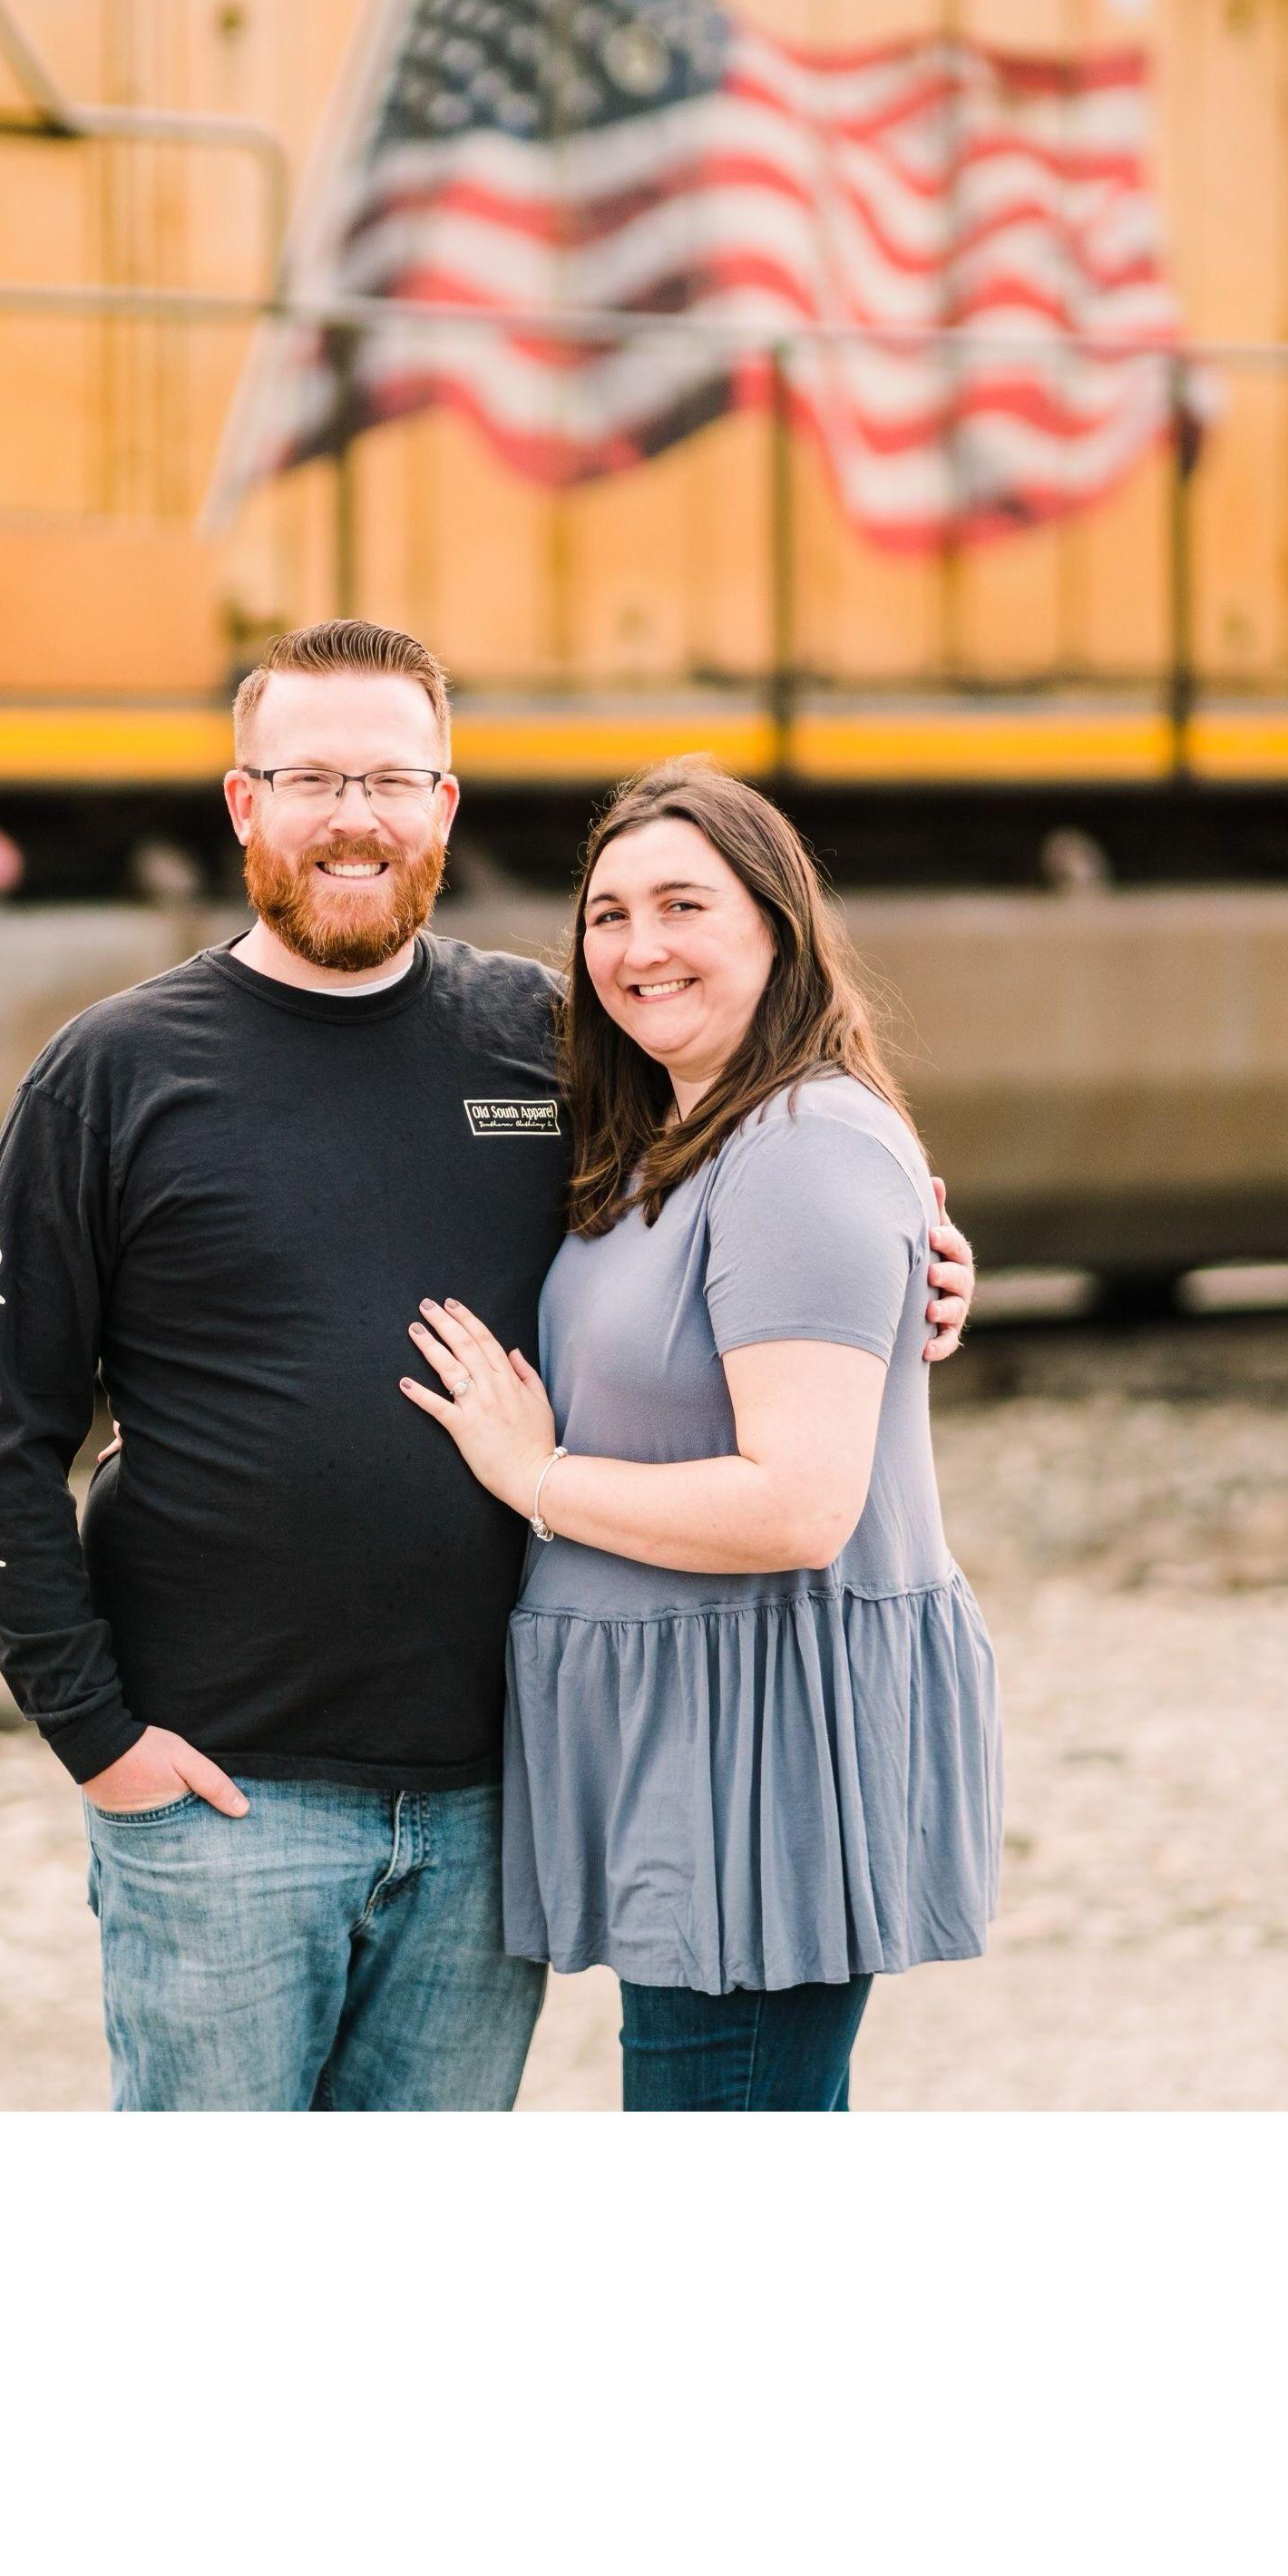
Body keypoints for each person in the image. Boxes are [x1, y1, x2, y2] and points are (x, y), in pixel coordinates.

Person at [0, 623, 978, 2112]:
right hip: (223, 1800)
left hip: (493, 1803)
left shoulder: (549, 1045)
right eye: (311, 779)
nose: (352, 818)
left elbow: (752, 1181)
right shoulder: (112, 1074)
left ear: (444, 804)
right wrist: (96, 1737)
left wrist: (926, 1265)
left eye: (389, 779)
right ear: (243, 804)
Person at [398, 759, 1003, 2113]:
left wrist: (533, 1477)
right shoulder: (675, 1135)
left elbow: (798, 1507)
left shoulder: (799, 1142)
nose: (639, 948)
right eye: (608, 916)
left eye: (684, 905)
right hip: (693, 1741)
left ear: (778, 928)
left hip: (757, 1753)